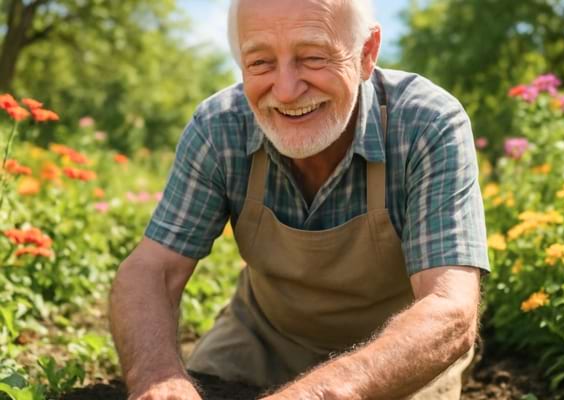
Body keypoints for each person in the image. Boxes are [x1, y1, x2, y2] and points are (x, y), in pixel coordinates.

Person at [109, 0, 490, 399]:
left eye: (312, 57)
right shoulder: (219, 128)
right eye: (260, 63)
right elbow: (153, 270)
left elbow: (448, 309)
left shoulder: (425, 123)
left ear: (366, 53)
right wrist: (158, 379)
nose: (287, 90)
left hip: (395, 354)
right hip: (264, 338)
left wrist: (319, 393)